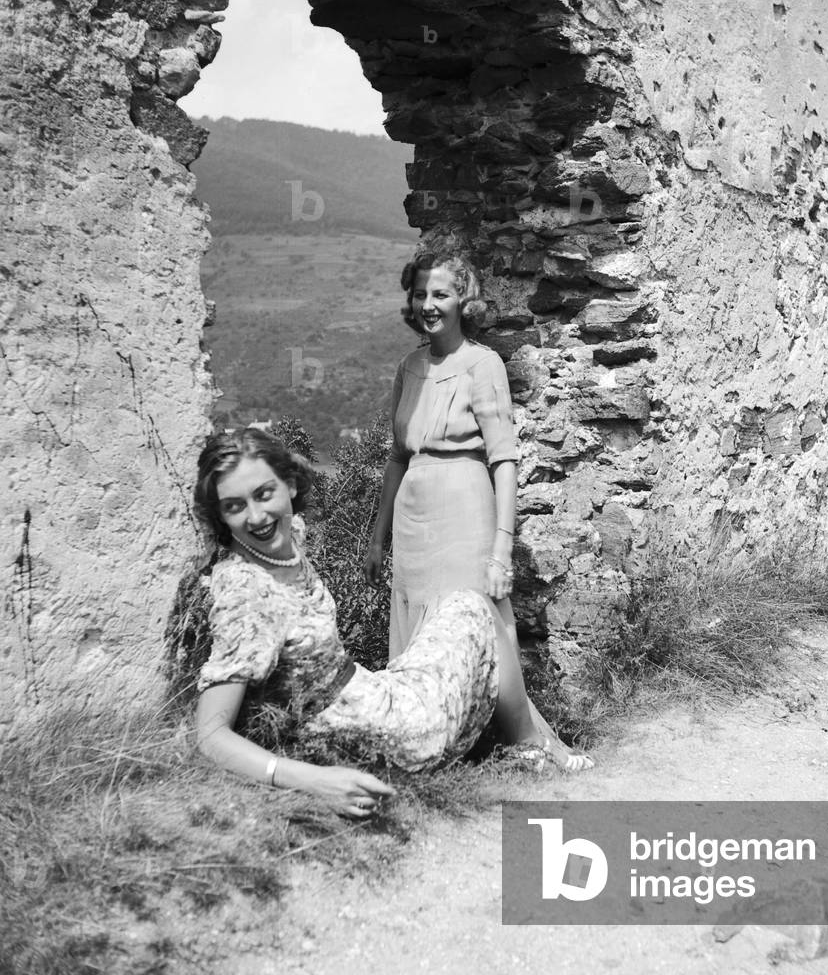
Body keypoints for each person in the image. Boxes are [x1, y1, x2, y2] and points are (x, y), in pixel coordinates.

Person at [192, 428, 587, 821]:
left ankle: (529, 747)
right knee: (476, 612)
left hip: (371, 696)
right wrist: (312, 780)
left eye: (264, 494)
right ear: (220, 516)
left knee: (469, 603)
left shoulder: (286, 538)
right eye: (234, 506)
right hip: (381, 739)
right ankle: (531, 747)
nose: (256, 517)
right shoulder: (246, 593)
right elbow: (211, 734)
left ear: (290, 485)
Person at [363, 250, 590, 770]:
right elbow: (398, 458)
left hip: (466, 509)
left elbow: (505, 459)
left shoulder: (483, 364)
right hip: (413, 519)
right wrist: (379, 538)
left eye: (440, 294)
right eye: (420, 294)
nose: (428, 305)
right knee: (417, 632)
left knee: (485, 623)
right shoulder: (409, 367)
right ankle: (425, 743)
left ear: (464, 300)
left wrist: (501, 548)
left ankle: (531, 743)